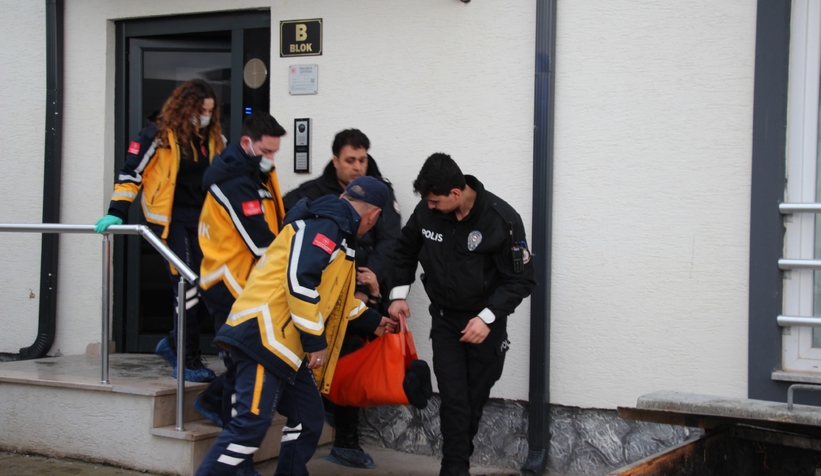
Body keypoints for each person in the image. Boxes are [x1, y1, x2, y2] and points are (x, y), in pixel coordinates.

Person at [195, 176, 396, 476]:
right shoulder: (326, 225)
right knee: (250, 424)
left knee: (308, 420)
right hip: (264, 337)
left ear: (344, 198)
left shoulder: (339, 231)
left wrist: (374, 320)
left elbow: (335, 299)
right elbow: (300, 281)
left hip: (285, 345)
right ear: (374, 216)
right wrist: (316, 341)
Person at [387, 153, 536, 476]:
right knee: (454, 398)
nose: (430, 207)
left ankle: (457, 461)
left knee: (473, 398)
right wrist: (398, 295)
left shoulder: (502, 220)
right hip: (445, 320)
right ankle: (454, 468)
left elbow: (521, 279)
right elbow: (405, 250)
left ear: (456, 194)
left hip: (486, 325)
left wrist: (487, 317)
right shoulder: (427, 214)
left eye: (435, 201)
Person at [282, 128, 401, 469]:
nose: (358, 166)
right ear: (336, 160)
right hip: (318, 299)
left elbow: (390, 242)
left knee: (350, 366)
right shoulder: (311, 195)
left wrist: (368, 282)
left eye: (362, 159)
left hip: (362, 294)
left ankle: (347, 440)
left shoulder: (379, 192)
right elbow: (298, 253)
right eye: (350, 160)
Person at [94, 78, 224, 382]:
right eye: (200, 110)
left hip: (206, 222)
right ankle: (187, 359)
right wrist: (117, 212)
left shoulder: (215, 141)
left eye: (209, 111)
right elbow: (131, 175)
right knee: (187, 287)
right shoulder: (158, 136)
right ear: (186, 107)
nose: (205, 116)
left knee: (215, 288)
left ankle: (172, 343)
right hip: (171, 221)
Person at [191, 112, 287, 476]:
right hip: (228, 285)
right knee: (239, 370)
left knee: (238, 370)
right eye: (267, 151)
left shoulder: (255, 171)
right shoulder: (233, 181)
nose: (272, 159)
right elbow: (260, 240)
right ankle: (238, 460)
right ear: (247, 144)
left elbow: (275, 218)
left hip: (246, 284)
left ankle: (220, 417)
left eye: (276, 152)